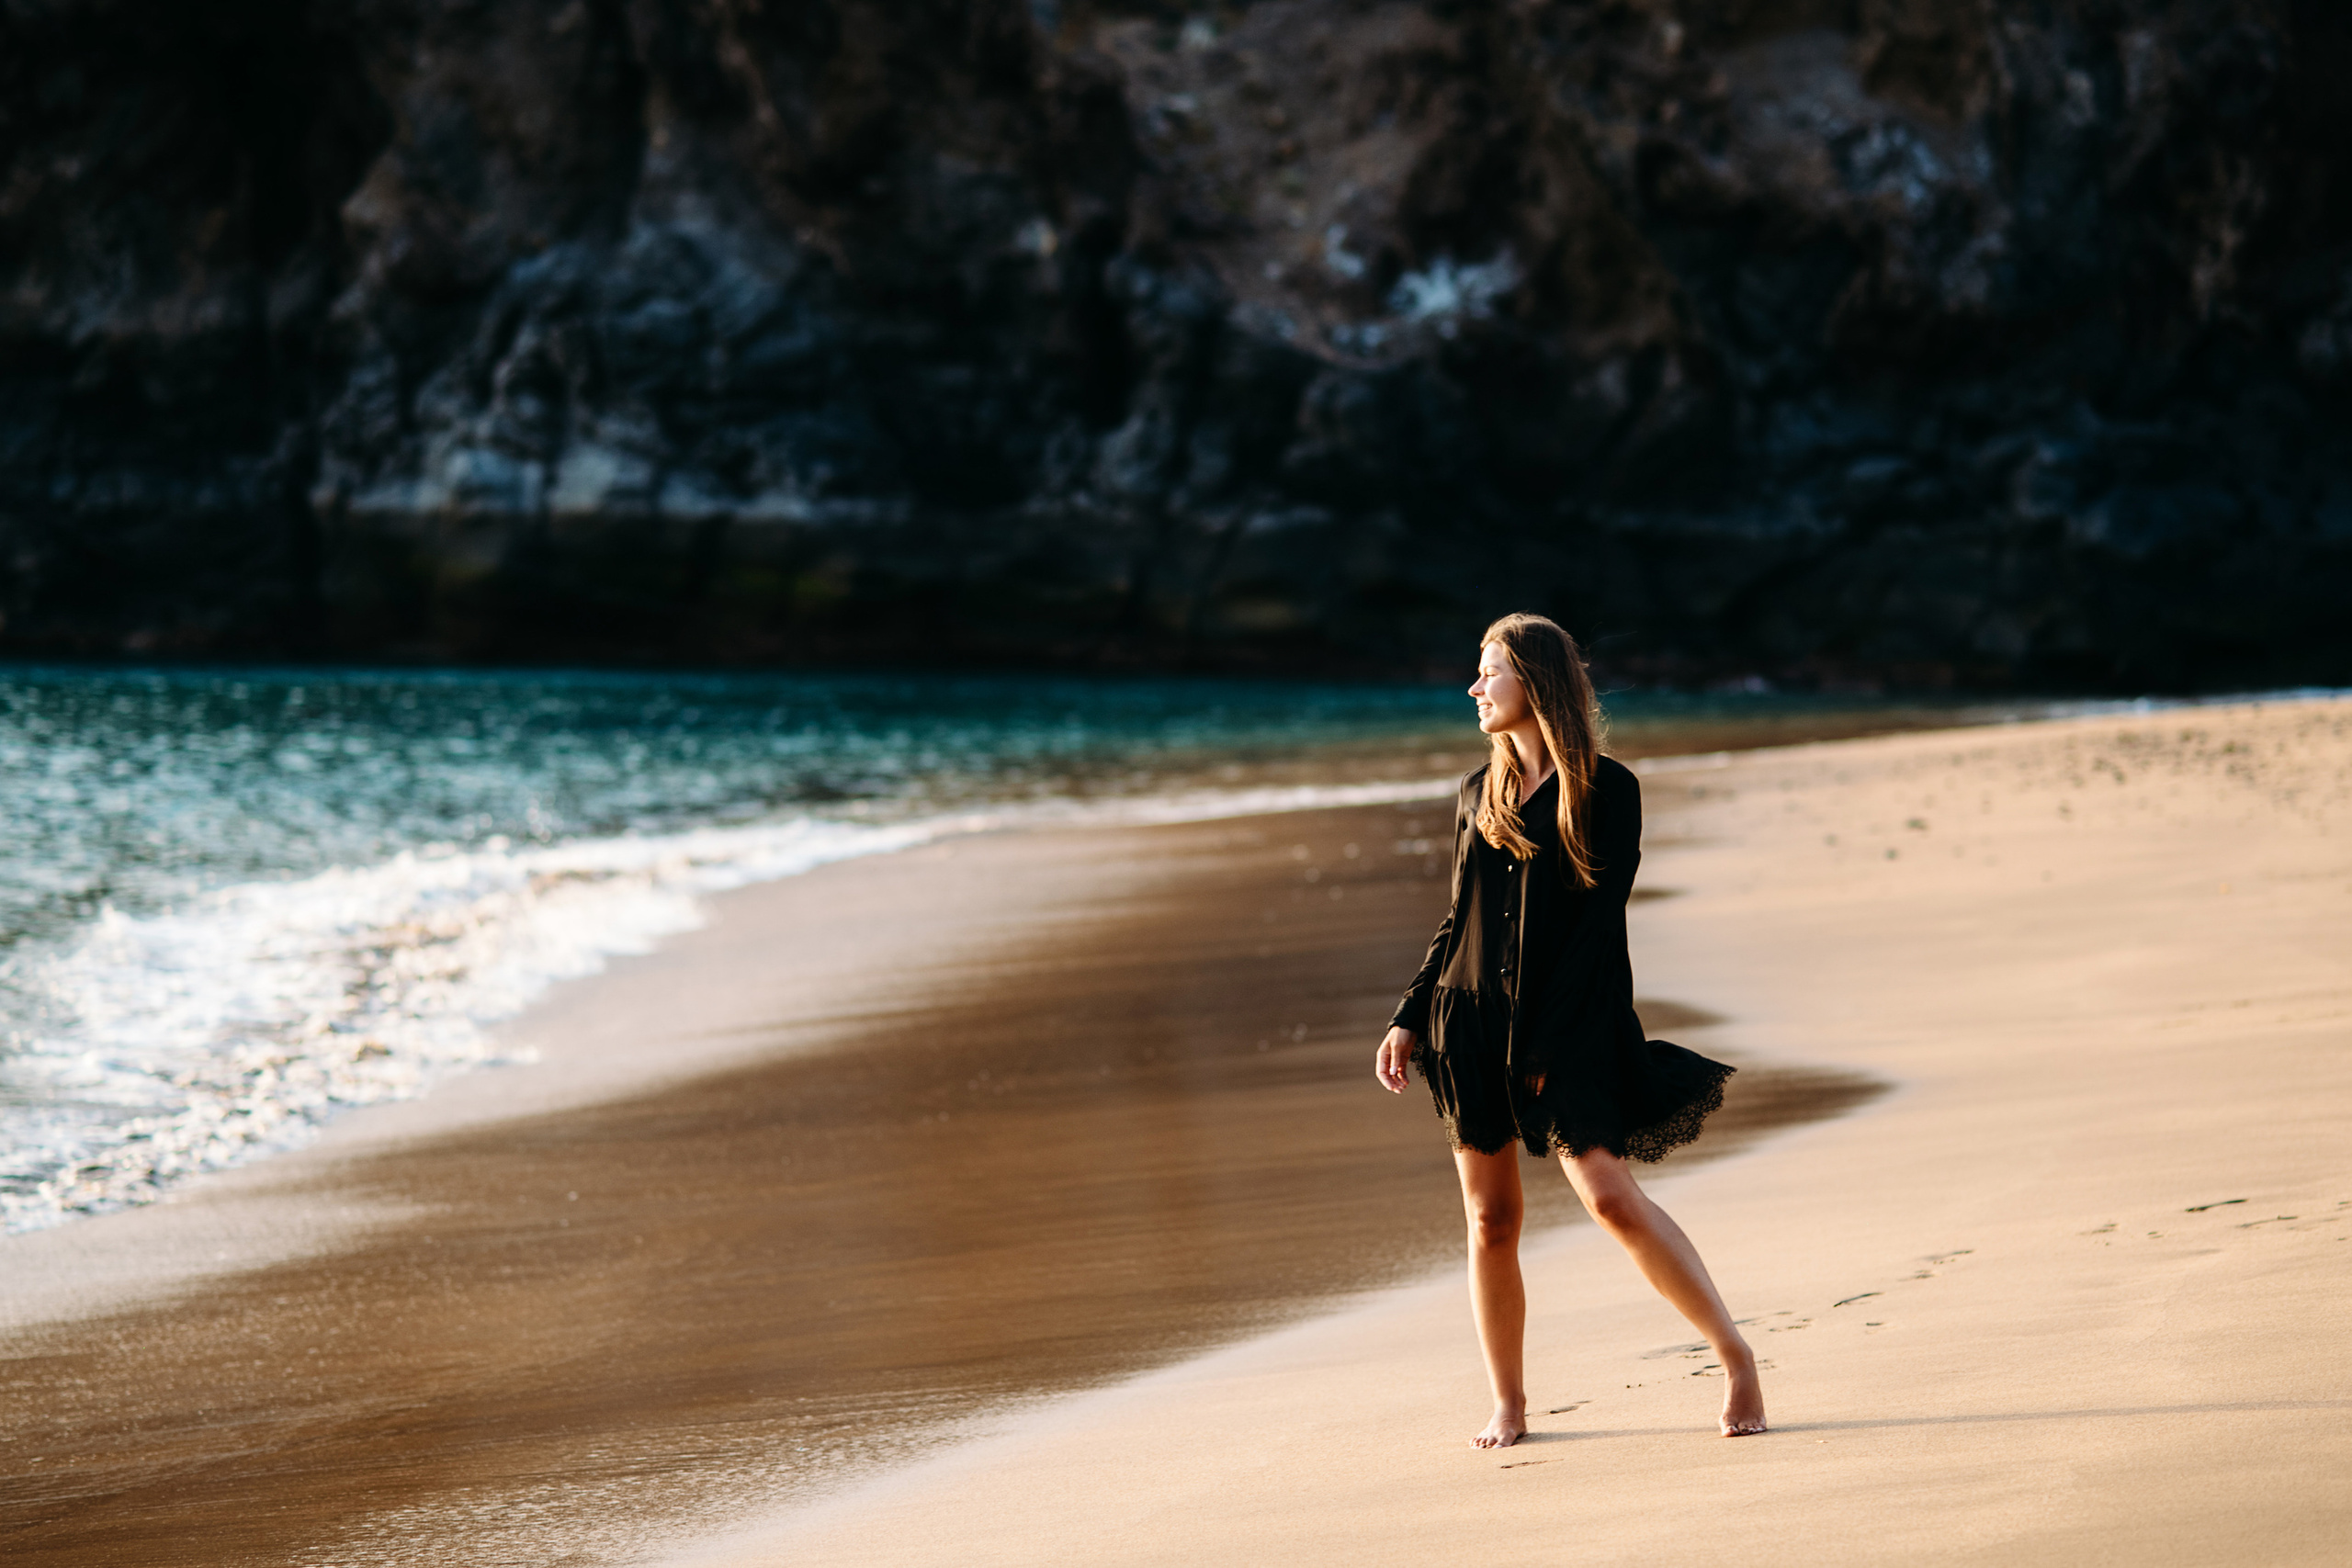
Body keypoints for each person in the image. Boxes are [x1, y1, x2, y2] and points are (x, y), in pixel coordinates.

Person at [1374, 613, 1767, 1445]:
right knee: (1491, 1222)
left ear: (1536, 681)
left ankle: (1734, 1356)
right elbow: (1460, 920)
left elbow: (1597, 933)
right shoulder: (1474, 795)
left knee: (1610, 1196)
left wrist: (1548, 1048)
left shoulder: (1607, 790)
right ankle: (1510, 1402)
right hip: (1470, 1026)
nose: (1474, 689)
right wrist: (1409, 1014)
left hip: (1571, 1027)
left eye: (1490, 673)